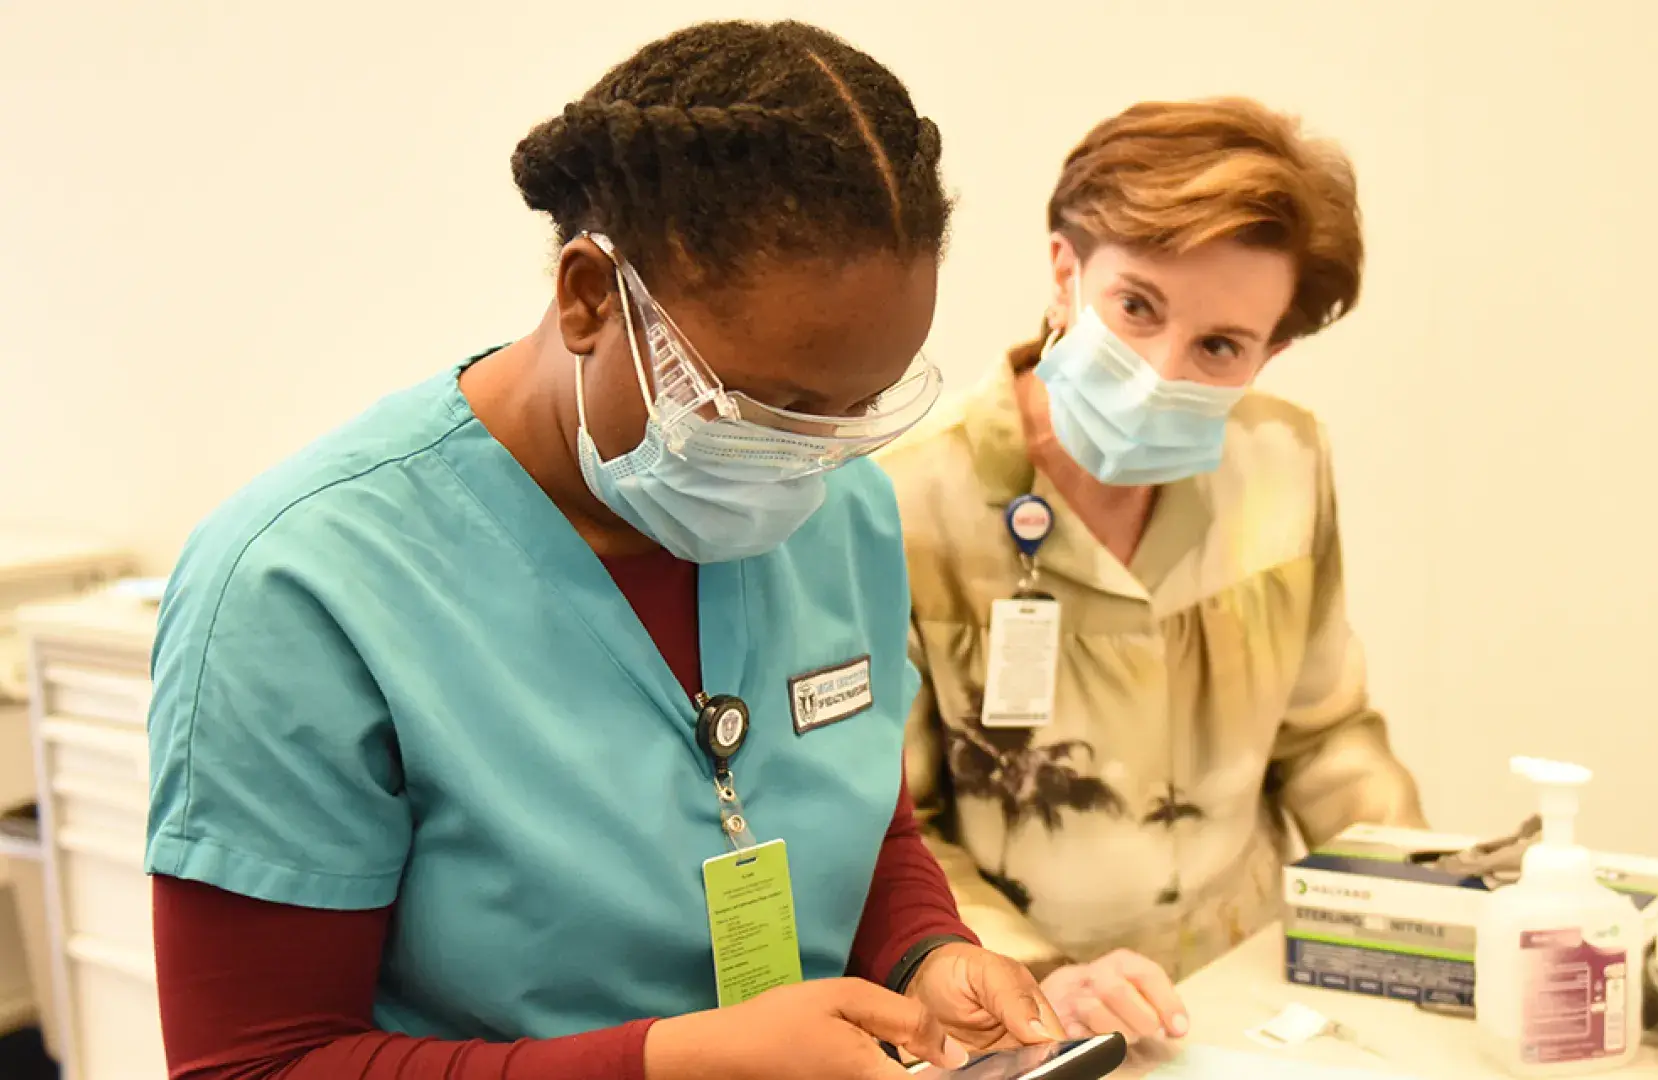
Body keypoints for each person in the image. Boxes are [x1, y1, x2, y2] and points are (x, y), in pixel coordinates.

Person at [144, 20, 1064, 1080]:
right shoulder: (301, 588)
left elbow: (865, 822)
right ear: (590, 297)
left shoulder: (841, 508)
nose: (808, 463)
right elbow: (253, 1065)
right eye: (769, 408)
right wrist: (669, 1062)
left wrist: (926, 952)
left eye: (856, 413)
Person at [880, 98, 1428, 1042]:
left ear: (1271, 353)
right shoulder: (906, 499)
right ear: (1065, 272)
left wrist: (1428, 912)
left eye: (1219, 347)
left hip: (1244, 993)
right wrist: (1045, 980)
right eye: (1136, 307)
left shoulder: (1283, 464)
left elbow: (1328, 742)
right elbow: (899, 830)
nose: (1159, 369)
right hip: (1022, 1015)